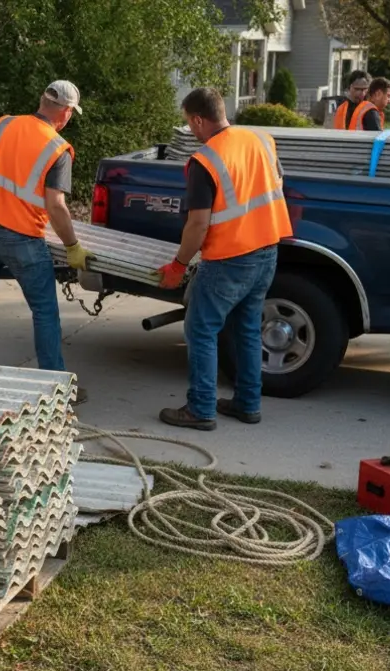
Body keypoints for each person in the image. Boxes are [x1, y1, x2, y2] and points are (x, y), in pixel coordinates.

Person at [155, 87, 293, 431]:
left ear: (199, 119)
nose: (191, 131)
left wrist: (178, 265)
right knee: (247, 328)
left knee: (201, 328)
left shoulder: (205, 160)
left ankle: (201, 409)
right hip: (267, 250)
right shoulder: (262, 140)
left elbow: (198, 223)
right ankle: (248, 404)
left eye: (190, 124)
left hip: (230, 258)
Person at [0, 81, 92, 400]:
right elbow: (55, 205)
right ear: (66, 113)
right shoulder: (57, 148)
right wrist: (72, 246)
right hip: (24, 239)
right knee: (43, 310)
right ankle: (56, 386)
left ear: (42, 101)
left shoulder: (3, 124)